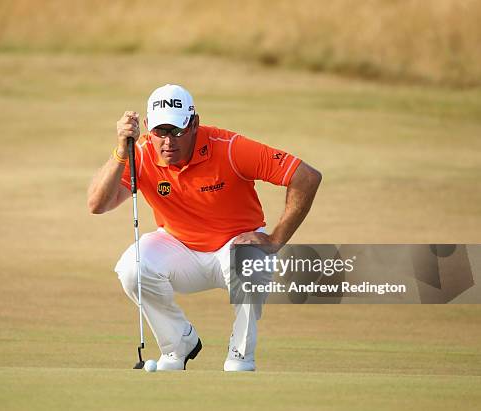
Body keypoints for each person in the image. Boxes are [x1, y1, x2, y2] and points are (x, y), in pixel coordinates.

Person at [87, 84, 321, 371]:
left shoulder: (231, 148)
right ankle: (178, 344)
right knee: (132, 268)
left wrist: (275, 240)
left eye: (177, 131)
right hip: (178, 250)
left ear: (194, 123)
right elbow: (97, 204)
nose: (168, 141)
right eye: (160, 131)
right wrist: (122, 151)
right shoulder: (141, 153)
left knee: (251, 260)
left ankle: (240, 354)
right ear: (147, 127)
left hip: (233, 248)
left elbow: (306, 177)